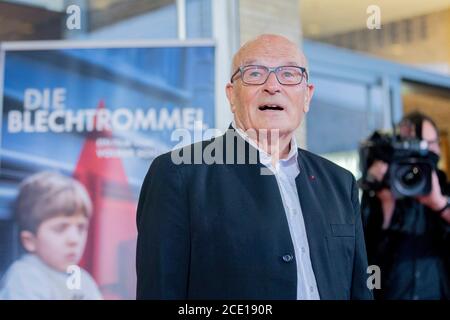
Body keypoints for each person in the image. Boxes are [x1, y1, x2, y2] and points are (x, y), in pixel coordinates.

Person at [136, 34, 373, 300]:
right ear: (232, 95)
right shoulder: (178, 174)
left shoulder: (340, 182)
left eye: (289, 74)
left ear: (307, 96)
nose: (273, 85)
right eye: (255, 73)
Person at [361, 111, 450, 300]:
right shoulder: (381, 190)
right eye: (412, 144)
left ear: (438, 148)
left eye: (427, 144)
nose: (420, 151)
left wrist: (440, 204)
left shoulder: (443, 185)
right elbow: (366, 260)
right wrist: (386, 202)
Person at [0, 171, 102, 300]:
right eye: (60, 229)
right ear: (29, 241)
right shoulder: (25, 277)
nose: (75, 239)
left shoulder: (83, 280)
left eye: (81, 228)